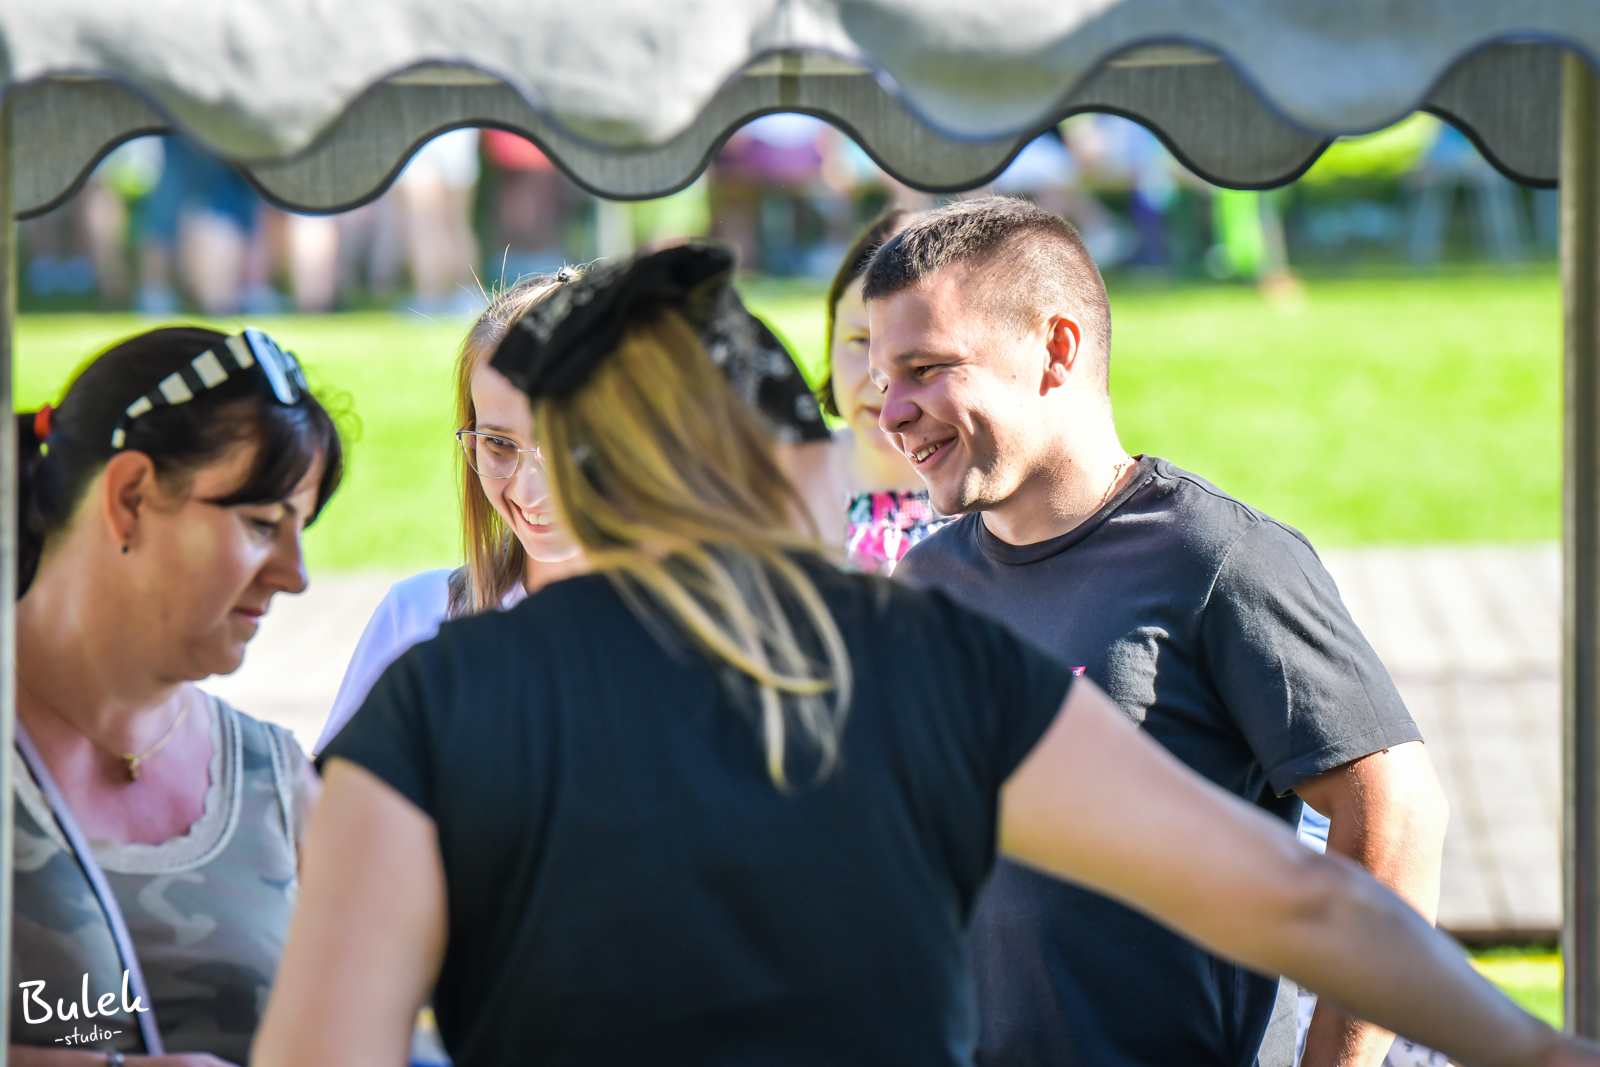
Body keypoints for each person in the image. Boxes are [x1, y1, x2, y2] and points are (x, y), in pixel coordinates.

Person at [254, 243, 1588, 1067]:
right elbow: (1297, 899)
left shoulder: (438, 700)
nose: (862, 446)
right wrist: (1530, 1051)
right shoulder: (918, 665)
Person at [867, 197, 1450, 1067]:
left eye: (927, 368)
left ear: (1056, 350)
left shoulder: (1215, 559)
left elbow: (1395, 813)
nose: (891, 413)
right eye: (885, 381)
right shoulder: (926, 583)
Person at [314, 263, 833, 753]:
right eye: (498, 444)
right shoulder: (417, 619)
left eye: (567, 444)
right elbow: (327, 805)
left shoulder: (715, 636)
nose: (531, 489)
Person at [11, 326, 343, 1066]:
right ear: (130, 496)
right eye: (261, 524)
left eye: (299, 529)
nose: (295, 575)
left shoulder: (277, 779)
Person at [814, 209, 957, 574]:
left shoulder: (998, 502)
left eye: (917, 351)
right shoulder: (779, 484)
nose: (880, 378)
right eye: (860, 340)